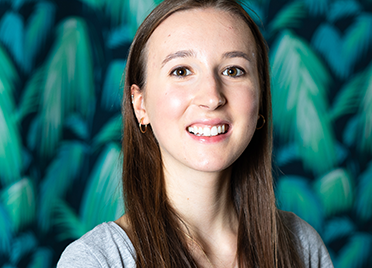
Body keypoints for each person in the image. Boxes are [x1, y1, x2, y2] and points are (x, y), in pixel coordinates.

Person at [58, 0, 333, 267]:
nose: (212, 97)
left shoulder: (302, 244)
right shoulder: (96, 260)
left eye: (233, 70)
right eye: (181, 71)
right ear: (140, 105)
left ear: (261, 99)